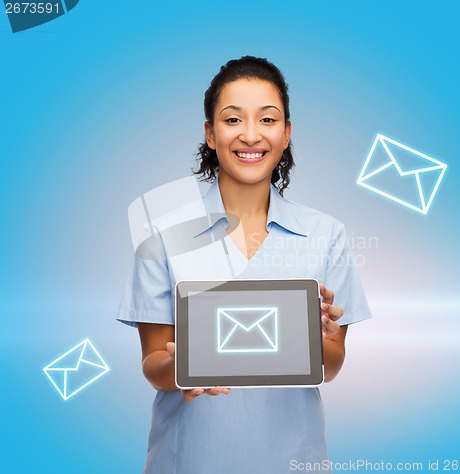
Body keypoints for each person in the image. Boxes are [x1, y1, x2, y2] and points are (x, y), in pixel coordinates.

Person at [117, 56, 371, 474]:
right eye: (233, 120)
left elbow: (332, 364)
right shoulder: (161, 234)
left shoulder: (327, 234)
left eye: (268, 120)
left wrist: (319, 337)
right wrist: (184, 367)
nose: (250, 135)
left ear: (286, 133)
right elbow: (153, 365)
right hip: (189, 461)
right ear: (210, 134)